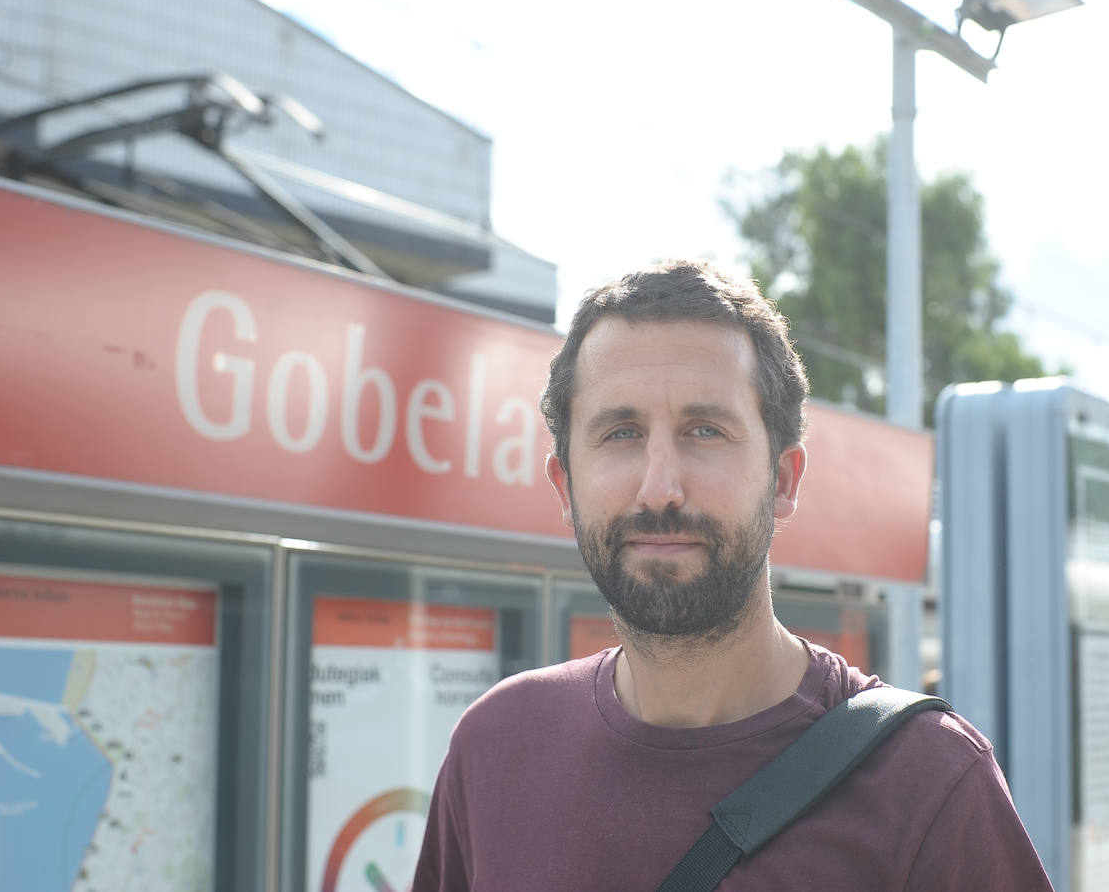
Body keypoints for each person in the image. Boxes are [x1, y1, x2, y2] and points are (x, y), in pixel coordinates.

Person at [412, 259, 1054, 891]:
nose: (659, 488)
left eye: (705, 431)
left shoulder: (928, 782)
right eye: (622, 433)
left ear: (782, 479)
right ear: (565, 484)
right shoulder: (497, 748)